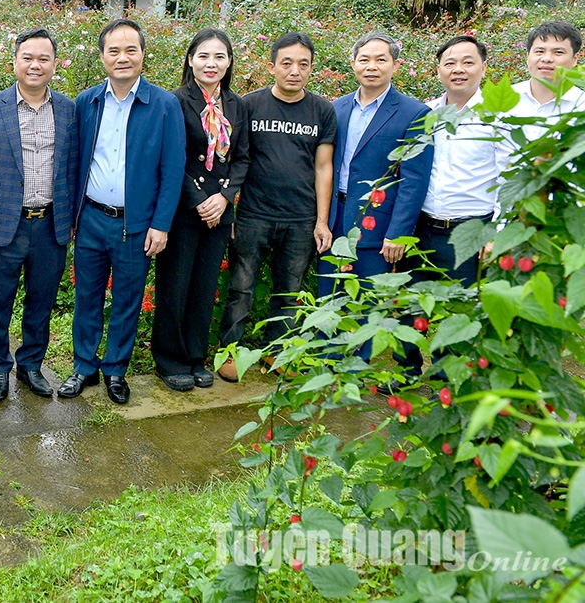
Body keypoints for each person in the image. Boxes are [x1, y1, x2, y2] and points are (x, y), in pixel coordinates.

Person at [60, 19, 186, 404]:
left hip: (136, 224)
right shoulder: (87, 102)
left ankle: (116, 369)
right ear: (102, 57)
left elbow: (173, 168)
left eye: (131, 49)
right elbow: (73, 162)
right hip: (92, 219)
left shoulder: (164, 105)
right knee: (88, 296)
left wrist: (161, 224)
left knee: (128, 298)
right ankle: (84, 366)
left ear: (143, 55)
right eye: (113, 50)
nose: (122, 57)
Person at [0, 28, 78, 401]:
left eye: (43, 58)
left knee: (41, 300)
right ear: (14, 61)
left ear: (54, 64)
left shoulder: (67, 109)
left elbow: (73, 167)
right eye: (27, 57)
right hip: (3, 223)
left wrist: (72, 218)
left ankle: (31, 364)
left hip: (50, 223)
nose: (35, 65)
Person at [216, 33, 336, 382]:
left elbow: (323, 167)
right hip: (254, 215)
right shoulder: (249, 105)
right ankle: (229, 351)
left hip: (300, 218)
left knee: (288, 290)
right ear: (272, 66)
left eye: (303, 64)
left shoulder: (322, 111)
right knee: (241, 287)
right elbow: (235, 160)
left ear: (312, 68)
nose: (294, 71)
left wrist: (322, 222)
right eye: (286, 63)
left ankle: (277, 352)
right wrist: (233, 212)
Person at [395, 35, 509, 378]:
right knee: (409, 306)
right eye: (450, 63)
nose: (458, 70)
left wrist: (497, 233)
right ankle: (405, 375)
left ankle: (447, 385)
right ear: (439, 69)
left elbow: (509, 176)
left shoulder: (498, 114)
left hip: (468, 230)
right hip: (422, 227)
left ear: (483, 67)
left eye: (468, 62)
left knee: (457, 313)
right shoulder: (427, 112)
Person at [319, 31, 434, 358]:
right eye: (364, 59)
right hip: (334, 218)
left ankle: (359, 366)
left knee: (369, 302)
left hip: (377, 224)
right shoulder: (336, 108)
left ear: (395, 65)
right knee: (329, 293)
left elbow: (414, 180)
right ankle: (325, 360)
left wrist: (399, 233)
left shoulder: (414, 113)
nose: (372, 66)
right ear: (353, 63)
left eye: (381, 59)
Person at [151, 28, 249, 392]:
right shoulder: (174, 101)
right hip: (182, 209)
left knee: (205, 288)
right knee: (174, 286)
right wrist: (199, 200)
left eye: (219, 56)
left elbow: (241, 159)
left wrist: (223, 198)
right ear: (190, 59)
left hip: (219, 213)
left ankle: (195, 357)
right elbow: (172, 158)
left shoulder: (238, 105)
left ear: (228, 62)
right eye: (204, 56)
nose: (211, 63)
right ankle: (169, 359)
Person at [511, 20, 584, 142]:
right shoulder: (505, 100)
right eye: (540, 51)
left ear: (575, 59)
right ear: (528, 56)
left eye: (558, 52)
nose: (547, 59)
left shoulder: (581, 106)